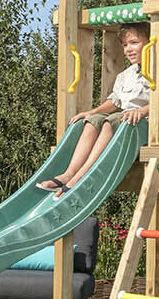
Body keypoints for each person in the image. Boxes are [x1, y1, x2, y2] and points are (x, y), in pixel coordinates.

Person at [37, 21, 150, 199]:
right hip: (124, 121)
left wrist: (143, 111)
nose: (129, 49)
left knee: (110, 122)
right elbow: (115, 101)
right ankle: (69, 173)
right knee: (94, 120)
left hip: (143, 126)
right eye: (125, 45)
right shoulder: (126, 75)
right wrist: (92, 112)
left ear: (150, 42)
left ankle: (80, 176)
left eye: (134, 42)